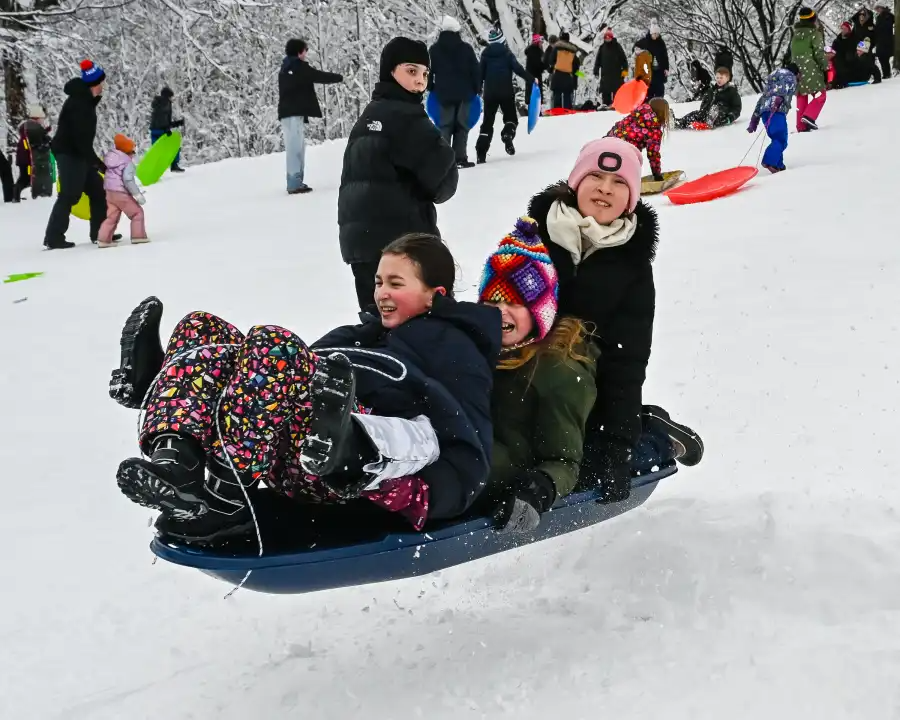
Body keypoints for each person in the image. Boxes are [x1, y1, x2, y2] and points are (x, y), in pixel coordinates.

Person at [110, 234, 501, 545]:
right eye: (379, 281)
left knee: (274, 345)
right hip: (292, 442)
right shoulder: (363, 334)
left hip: (344, 462)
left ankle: (229, 499)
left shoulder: (454, 348)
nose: (380, 292)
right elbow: (281, 376)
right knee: (201, 328)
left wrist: (425, 496)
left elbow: (470, 443)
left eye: (395, 283)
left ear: (437, 294)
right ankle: (175, 463)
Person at [523, 137, 701, 502]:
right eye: (596, 177)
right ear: (576, 182)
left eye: (620, 183)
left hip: (585, 389)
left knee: (587, 467)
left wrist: (618, 445)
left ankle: (653, 437)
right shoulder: (532, 236)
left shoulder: (631, 267)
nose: (605, 189)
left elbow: (626, 357)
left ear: (631, 198)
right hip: (522, 373)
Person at [477, 217, 597, 533]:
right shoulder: (477, 348)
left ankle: (653, 433)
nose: (500, 312)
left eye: (514, 303)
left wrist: (540, 488)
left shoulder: (558, 373)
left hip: (504, 467)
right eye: (491, 302)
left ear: (539, 311)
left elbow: (564, 460)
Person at [338, 37, 458, 312]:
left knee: (379, 329)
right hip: (404, 248)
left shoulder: (370, 116)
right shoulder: (407, 118)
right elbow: (443, 183)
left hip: (363, 246)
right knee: (431, 326)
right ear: (390, 71)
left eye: (425, 74)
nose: (420, 81)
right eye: (412, 71)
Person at [43, 59, 109, 250]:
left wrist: (93, 161)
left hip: (79, 153)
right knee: (69, 195)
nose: (103, 87)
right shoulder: (80, 104)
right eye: (101, 83)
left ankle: (100, 233)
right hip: (70, 153)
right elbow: (80, 138)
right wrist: (96, 162)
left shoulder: (85, 101)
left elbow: (83, 140)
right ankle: (53, 237)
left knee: (98, 190)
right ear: (93, 84)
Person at [278, 38, 343, 194]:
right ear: (299, 51)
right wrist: (339, 77)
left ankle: (295, 181)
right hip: (293, 114)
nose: (306, 54)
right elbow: (317, 75)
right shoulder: (297, 67)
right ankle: (294, 183)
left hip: (287, 113)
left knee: (296, 147)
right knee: (296, 148)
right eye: (305, 51)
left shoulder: (286, 67)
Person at [428, 15, 480, 169]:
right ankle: (460, 158)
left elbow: (428, 72)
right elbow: (475, 70)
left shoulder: (434, 50)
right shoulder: (466, 48)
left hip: (443, 93)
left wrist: (431, 87)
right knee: (461, 126)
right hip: (465, 94)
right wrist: (476, 88)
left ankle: (444, 161)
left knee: (445, 126)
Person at [475, 27, 533, 163]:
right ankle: (507, 133)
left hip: (490, 93)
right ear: (502, 40)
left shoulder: (485, 54)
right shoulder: (507, 53)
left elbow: (480, 75)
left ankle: (481, 153)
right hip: (506, 92)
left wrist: (477, 90)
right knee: (511, 118)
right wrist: (531, 79)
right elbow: (518, 69)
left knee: (487, 122)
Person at [97, 134, 148, 248]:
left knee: (112, 217)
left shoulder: (111, 159)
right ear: (128, 152)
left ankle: (103, 239)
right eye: (132, 152)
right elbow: (128, 179)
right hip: (121, 193)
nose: (133, 156)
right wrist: (137, 194)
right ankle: (138, 237)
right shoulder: (127, 163)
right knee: (137, 213)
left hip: (109, 192)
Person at [747, 62, 798, 174]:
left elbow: (760, 102)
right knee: (781, 139)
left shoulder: (768, 89)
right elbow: (783, 90)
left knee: (777, 138)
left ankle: (779, 165)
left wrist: (754, 120)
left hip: (765, 113)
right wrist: (779, 98)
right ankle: (770, 161)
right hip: (776, 112)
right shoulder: (790, 76)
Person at [606, 97, 670, 181]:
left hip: (605, 145)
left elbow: (616, 129)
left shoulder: (636, 115)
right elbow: (653, 154)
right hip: (624, 156)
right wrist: (657, 175)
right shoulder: (654, 129)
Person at [791, 7, 829, 132]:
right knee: (820, 94)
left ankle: (801, 126)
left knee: (802, 95)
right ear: (813, 19)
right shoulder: (814, 34)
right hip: (811, 68)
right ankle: (809, 116)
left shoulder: (796, 35)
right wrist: (825, 67)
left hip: (797, 71)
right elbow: (819, 53)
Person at [675, 66, 741, 128]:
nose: (719, 80)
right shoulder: (712, 90)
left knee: (718, 107)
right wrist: (702, 110)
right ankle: (678, 123)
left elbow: (737, 108)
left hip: (722, 116)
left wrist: (729, 119)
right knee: (695, 114)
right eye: (717, 77)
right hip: (707, 113)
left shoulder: (732, 92)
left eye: (721, 78)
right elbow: (705, 102)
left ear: (727, 78)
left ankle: (711, 119)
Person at [14, 105, 53, 201]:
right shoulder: (33, 127)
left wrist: (45, 131)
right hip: (28, 159)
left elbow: (36, 136)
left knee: (24, 176)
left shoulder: (27, 126)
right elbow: (38, 140)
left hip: (23, 157)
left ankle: (15, 195)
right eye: (41, 119)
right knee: (26, 178)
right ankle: (15, 196)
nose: (42, 120)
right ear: (37, 118)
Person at [149, 87, 186, 174]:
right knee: (174, 146)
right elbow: (163, 119)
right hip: (162, 131)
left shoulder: (157, 103)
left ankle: (153, 168)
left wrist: (177, 123)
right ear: (167, 96)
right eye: (170, 97)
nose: (171, 99)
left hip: (154, 131)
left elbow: (162, 119)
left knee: (156, 151)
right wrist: (166, 129)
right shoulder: (166, 103)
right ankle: (174, 165)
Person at [633, 20, 669, 99]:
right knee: (649, 88)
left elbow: (665, 56)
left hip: (659, 69)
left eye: (657, 34)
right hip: (648, 70)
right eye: (654, 34)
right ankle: (649, 104)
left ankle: (659, 103)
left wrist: (666, 68)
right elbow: (636, 47)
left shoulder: (661, 43)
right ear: (651, 33)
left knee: (659, 88)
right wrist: (638, 52)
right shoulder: (645, 41)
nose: (655, 36)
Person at [593, 28, 628, 108]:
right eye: (606, 37)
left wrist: (625, 72)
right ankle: (606, 107)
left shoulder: (617, 46)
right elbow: (597, 60)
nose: (607, 38)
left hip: (617, 75)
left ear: (612, 37)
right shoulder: (602, 48)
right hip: (605, 75)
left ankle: (617, 106)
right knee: (606, 93)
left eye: (609, 37)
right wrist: (596, 71)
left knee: (617, 93)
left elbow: (624, 60)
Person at [547, 31, 581, 109]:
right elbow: (576, 68)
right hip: (568, 77)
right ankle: (567, 113)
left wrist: (551, 69)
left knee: (557, 95)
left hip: (557, 75)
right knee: (567, 96)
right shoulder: (572, 51)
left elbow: (551, 61)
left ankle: (556, 112)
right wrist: (580, 77)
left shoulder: (556, 49)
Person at [832, 21, 857, 87]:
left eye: (845, 28)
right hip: (839, 60)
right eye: (842, 28)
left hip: (850, 59)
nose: (843, 30)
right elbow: (833, 50)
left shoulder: (853, 39)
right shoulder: (837, 40)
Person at [874, 3, 895, 78]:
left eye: (878, 8)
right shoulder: (878, 17)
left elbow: (887, 26)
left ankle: (887, 74)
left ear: (882, 7)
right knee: (881, 57)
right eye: (876, 9)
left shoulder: (888, 15)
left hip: (887, 40)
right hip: (880, 41)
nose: (877, 10)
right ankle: (885, 73)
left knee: (885, 57)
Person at [524, 34, 546, 103]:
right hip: (535, 76)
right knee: (536, 96)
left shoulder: (530, 50)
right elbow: (538, 65)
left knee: (530, 94)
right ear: (537, 42)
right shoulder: (536, 51)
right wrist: (544, 66)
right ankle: (537, 112)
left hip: (529, 75)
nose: (541, 44)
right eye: (540, 42)